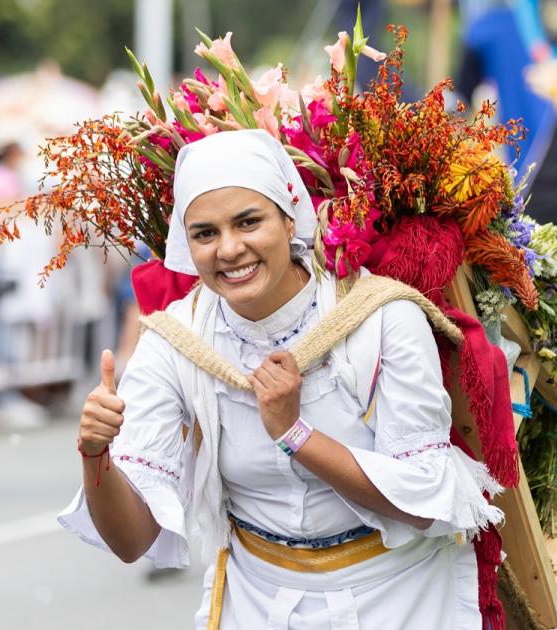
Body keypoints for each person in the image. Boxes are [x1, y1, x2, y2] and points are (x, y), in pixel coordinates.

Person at [58, 130, 502, 629]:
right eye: (205, 234)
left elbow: (423, 503)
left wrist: (296, 435)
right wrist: (96, 455)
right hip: (258, 598)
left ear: (290, 218)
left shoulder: (381, 316)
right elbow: (131, 541)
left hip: (400, 594)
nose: (229, 249)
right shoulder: (176, 340)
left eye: (249, 222)